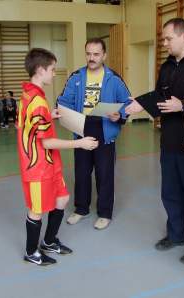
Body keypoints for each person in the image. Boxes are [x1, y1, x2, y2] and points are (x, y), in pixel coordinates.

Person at [126, 18, 184, 264]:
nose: (165, 43)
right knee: (170, 194)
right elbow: (160, 96)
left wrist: (182, 108)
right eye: (164, 39)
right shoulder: (166, 67)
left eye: (168, 38)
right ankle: (176, 235)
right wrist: (137, 103)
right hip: (169, 143)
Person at [18, 48, 98, 265]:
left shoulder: (32, 94)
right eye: (52, 69)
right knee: (36, 210)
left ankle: (49, 241)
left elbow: (26, 124)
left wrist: (48, 117)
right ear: (40, 69)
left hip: (50, 162)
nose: (54, 73)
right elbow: (46, 142)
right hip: (37, 165)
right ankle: (31, 252)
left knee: (61, 199)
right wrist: (80, 143)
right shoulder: (36, 101)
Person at [57, 38, 131, 230]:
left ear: (104, 55)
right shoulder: (76, 77)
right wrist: (63, 114)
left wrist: (119, 116)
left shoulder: (114, 79)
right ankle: (81, 209)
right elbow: (64, 101)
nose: (92, 58)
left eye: (96, 54)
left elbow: (127, 103)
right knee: (81, 172)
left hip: (104, 129)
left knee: (104, 173)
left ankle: (104, 213)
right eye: (88, 53)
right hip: (81, 128)